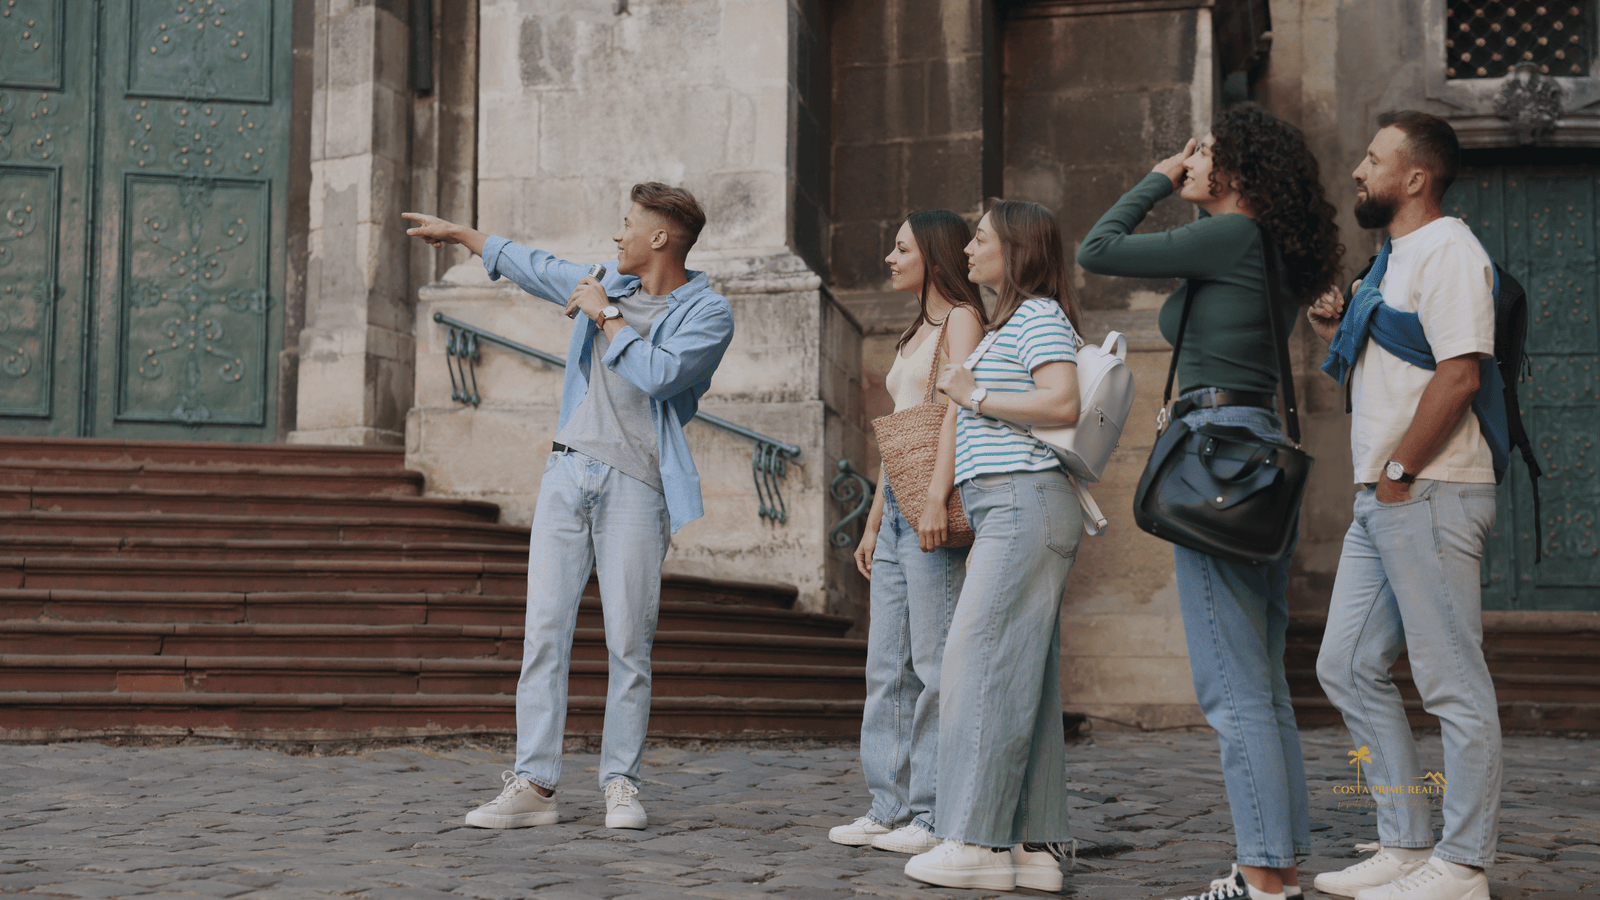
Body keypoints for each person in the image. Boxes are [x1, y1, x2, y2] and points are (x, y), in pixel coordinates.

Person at [401, 183, 734, 831]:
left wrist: (604, 315)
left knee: (628, 643)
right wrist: (470, 238)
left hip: (637, 483)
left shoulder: (708, 312)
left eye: (628, 225)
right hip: (565, 472)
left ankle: (620, 785)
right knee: (544, 634)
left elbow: (663, 376)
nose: (618, 236)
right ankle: (533, 784)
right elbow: (541, 268)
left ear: (661, 238)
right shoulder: (606, 281)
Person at [1077, 103, 1344, 900]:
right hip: (1251, 442)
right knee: (1259, 680)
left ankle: (1263, 879)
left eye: (1206, 151)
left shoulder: (1230, 235)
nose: (1192, 159)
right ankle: (1276, 867)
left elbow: (1098, 248)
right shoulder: (1265, 248)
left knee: (1232, 686)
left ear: (1238, 172)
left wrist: (1156, 178)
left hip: (1217, 444)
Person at [1307, 111, 1501, 900]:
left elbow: (1461, 374)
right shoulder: (1393, 257)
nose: (1358, 169)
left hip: (1428, 491)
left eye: (1373, 157)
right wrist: (1339, 314)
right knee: (1346, 665)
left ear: (1414, 178)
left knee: (1452, 682)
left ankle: (1463, 865)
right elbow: (1399, 353)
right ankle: (1406, 843)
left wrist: (1397, 469)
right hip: (1385, 498)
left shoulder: (1450, 249)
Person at [901, 200, 1082, 893]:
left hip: (1022, 500)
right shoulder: (1016, 320)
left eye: (981, 238)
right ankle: (1031, 846)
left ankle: (975, 841)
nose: (969, 248)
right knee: (1022, 679)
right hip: (1011, 505)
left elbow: (1060, 401)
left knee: (976, 667)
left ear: (1016, 248)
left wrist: (972, 393)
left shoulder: (1035, 316)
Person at [830, 211, 987, 856]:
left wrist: (933, 498)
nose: (890, 259)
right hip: (895, 509)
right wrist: (873, 521)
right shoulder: (915, 328)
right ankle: (887, 805)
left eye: (902, 249)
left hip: (930, 508)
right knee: (885, 666)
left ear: (936, 256)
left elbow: (956, 415)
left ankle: (930, 812)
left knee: (933, 665)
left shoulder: (961, 319)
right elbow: (899, 433)